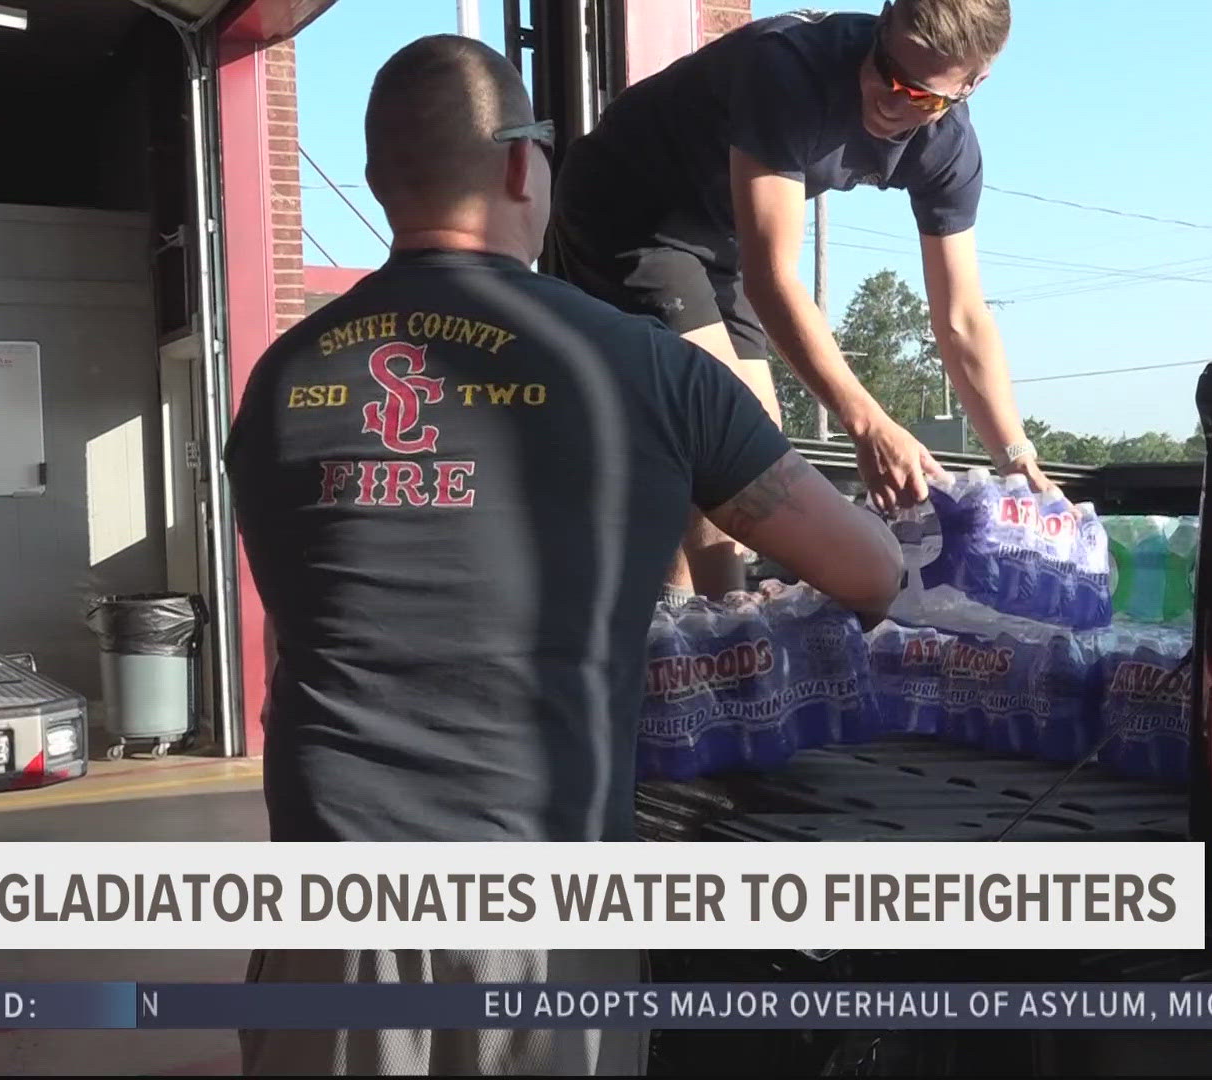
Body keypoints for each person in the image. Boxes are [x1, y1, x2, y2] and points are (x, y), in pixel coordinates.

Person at [225, 34, 904, 1077]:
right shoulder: (648, 368)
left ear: (374, 179)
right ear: (518, 164)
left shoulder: (281, 379)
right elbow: (867, 571)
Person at [545, 0, 1048, 602]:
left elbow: (962, 318)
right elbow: (772, 277)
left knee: (755, 440)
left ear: (973, 84)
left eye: (919, 95)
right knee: (723, 431)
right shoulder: (787, 70)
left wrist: (1017, 461)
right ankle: (711, 629)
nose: (888, 99)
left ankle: (704, 619)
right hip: (627, 206)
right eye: (884, 67)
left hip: (719, 233)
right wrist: (867, 425)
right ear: (883, 20)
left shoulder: (950, 150)